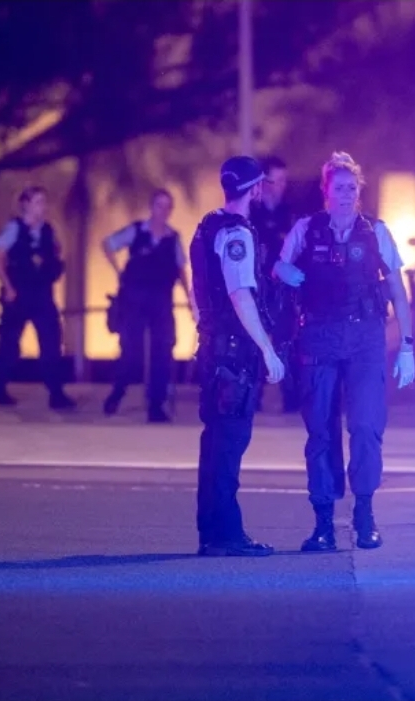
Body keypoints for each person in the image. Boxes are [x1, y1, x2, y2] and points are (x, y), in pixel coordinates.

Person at [274, 151, 415, 551]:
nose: (346, 194)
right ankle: (323, 523)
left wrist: (407, 345)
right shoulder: (306, 229)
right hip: (318, 336)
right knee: (321, 430)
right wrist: (284, 270)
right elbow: (278, 268)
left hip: (365, 338)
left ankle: (365, 514)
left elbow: (397, 291)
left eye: (352, 188)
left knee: (366, 426)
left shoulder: (375, 232)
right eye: (339, 188)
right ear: (326, 190)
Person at [190, 155, 285, 557]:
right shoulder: (237, 234)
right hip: (233, 354)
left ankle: (212, 532)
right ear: (255, 188)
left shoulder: (206, 226)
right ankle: (226, 535)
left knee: (214, 443)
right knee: (229, 443)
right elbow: (240, 295)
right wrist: (267, 348)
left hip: (213, 347)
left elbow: (199, 290)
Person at [101, 189, 195, 423]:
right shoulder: (136, 231)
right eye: (159, 205)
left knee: (162, 350)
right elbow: (108, 244)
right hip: (134, 299)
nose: (163, 211)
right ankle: (117, 392)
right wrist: (118, 272)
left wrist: (190, 299)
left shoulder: (173, 238)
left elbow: (181, 270)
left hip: (161, 300)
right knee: (131, 350)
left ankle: (156, 404)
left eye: (167, 207)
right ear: (152, 207)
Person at [0, 186, 75, 410]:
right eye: (37, 202)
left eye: (43, 202)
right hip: (19, 293)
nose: (42, 207)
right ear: (25, 204)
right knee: (9, 343)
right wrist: (8, 287)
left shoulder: (47, 230)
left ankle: (56, 393)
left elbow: (56, 254)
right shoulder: (14, 229)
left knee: (52, 341)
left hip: (42, 294)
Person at [249, 156, 298, 413]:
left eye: (283, 181)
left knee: (285, 339)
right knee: (254, 339)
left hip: (283, 289)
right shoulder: (250, 212)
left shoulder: (289, 214)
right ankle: (251, 396)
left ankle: (290, 398)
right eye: (275, 180)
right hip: (256, 287)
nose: (280, 186)